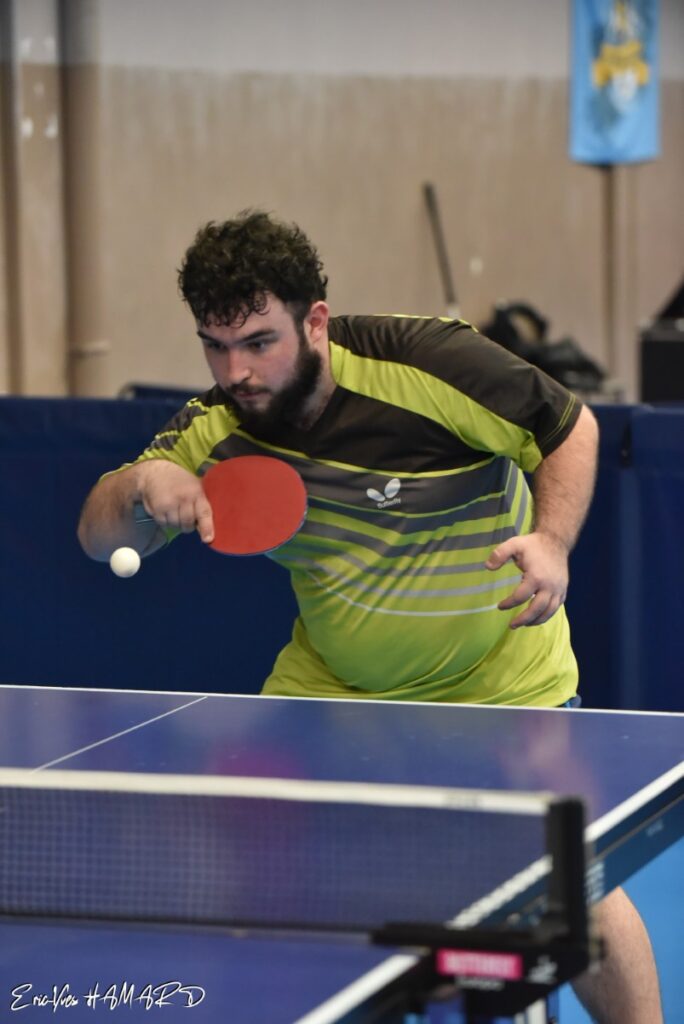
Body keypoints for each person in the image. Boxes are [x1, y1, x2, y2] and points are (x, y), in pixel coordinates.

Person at [78, 210, 662, 1024]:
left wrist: (553, 541)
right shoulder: (219, 428)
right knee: (261, 874)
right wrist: (141, 486)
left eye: (259, 341)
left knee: (575, 883)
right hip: (335, 688)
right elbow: (98, 537)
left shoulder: (426, 363)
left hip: (497, 677)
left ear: (315, 321)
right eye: (216, 346)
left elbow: (571, 426)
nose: (237, 370)